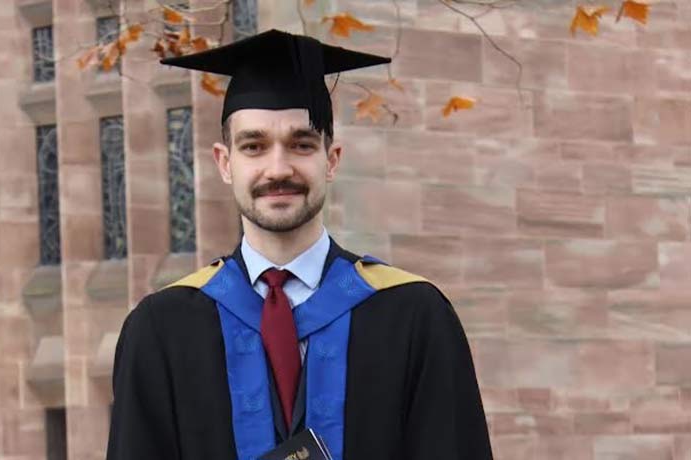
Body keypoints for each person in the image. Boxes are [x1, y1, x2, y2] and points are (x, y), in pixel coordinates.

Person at [106, 29, 492, 460]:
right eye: (254, 146)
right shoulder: (161, 329)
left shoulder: (415, 316)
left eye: (301, 144)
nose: (278, 167)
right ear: (224, 162)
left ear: (331, 159)